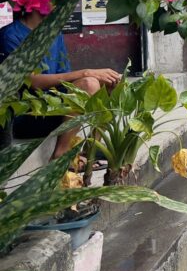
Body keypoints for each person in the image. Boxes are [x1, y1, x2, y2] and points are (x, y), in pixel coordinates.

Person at [0, 11, 120, 162]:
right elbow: (32, 81)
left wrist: (98, 78)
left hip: (56, 110)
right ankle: (60, 154)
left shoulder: (54, 33)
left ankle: (92, 150)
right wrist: (86, 73)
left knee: (111, 81)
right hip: (27, 115)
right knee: (89, 82)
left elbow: (65, 78)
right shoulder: (10, 35)